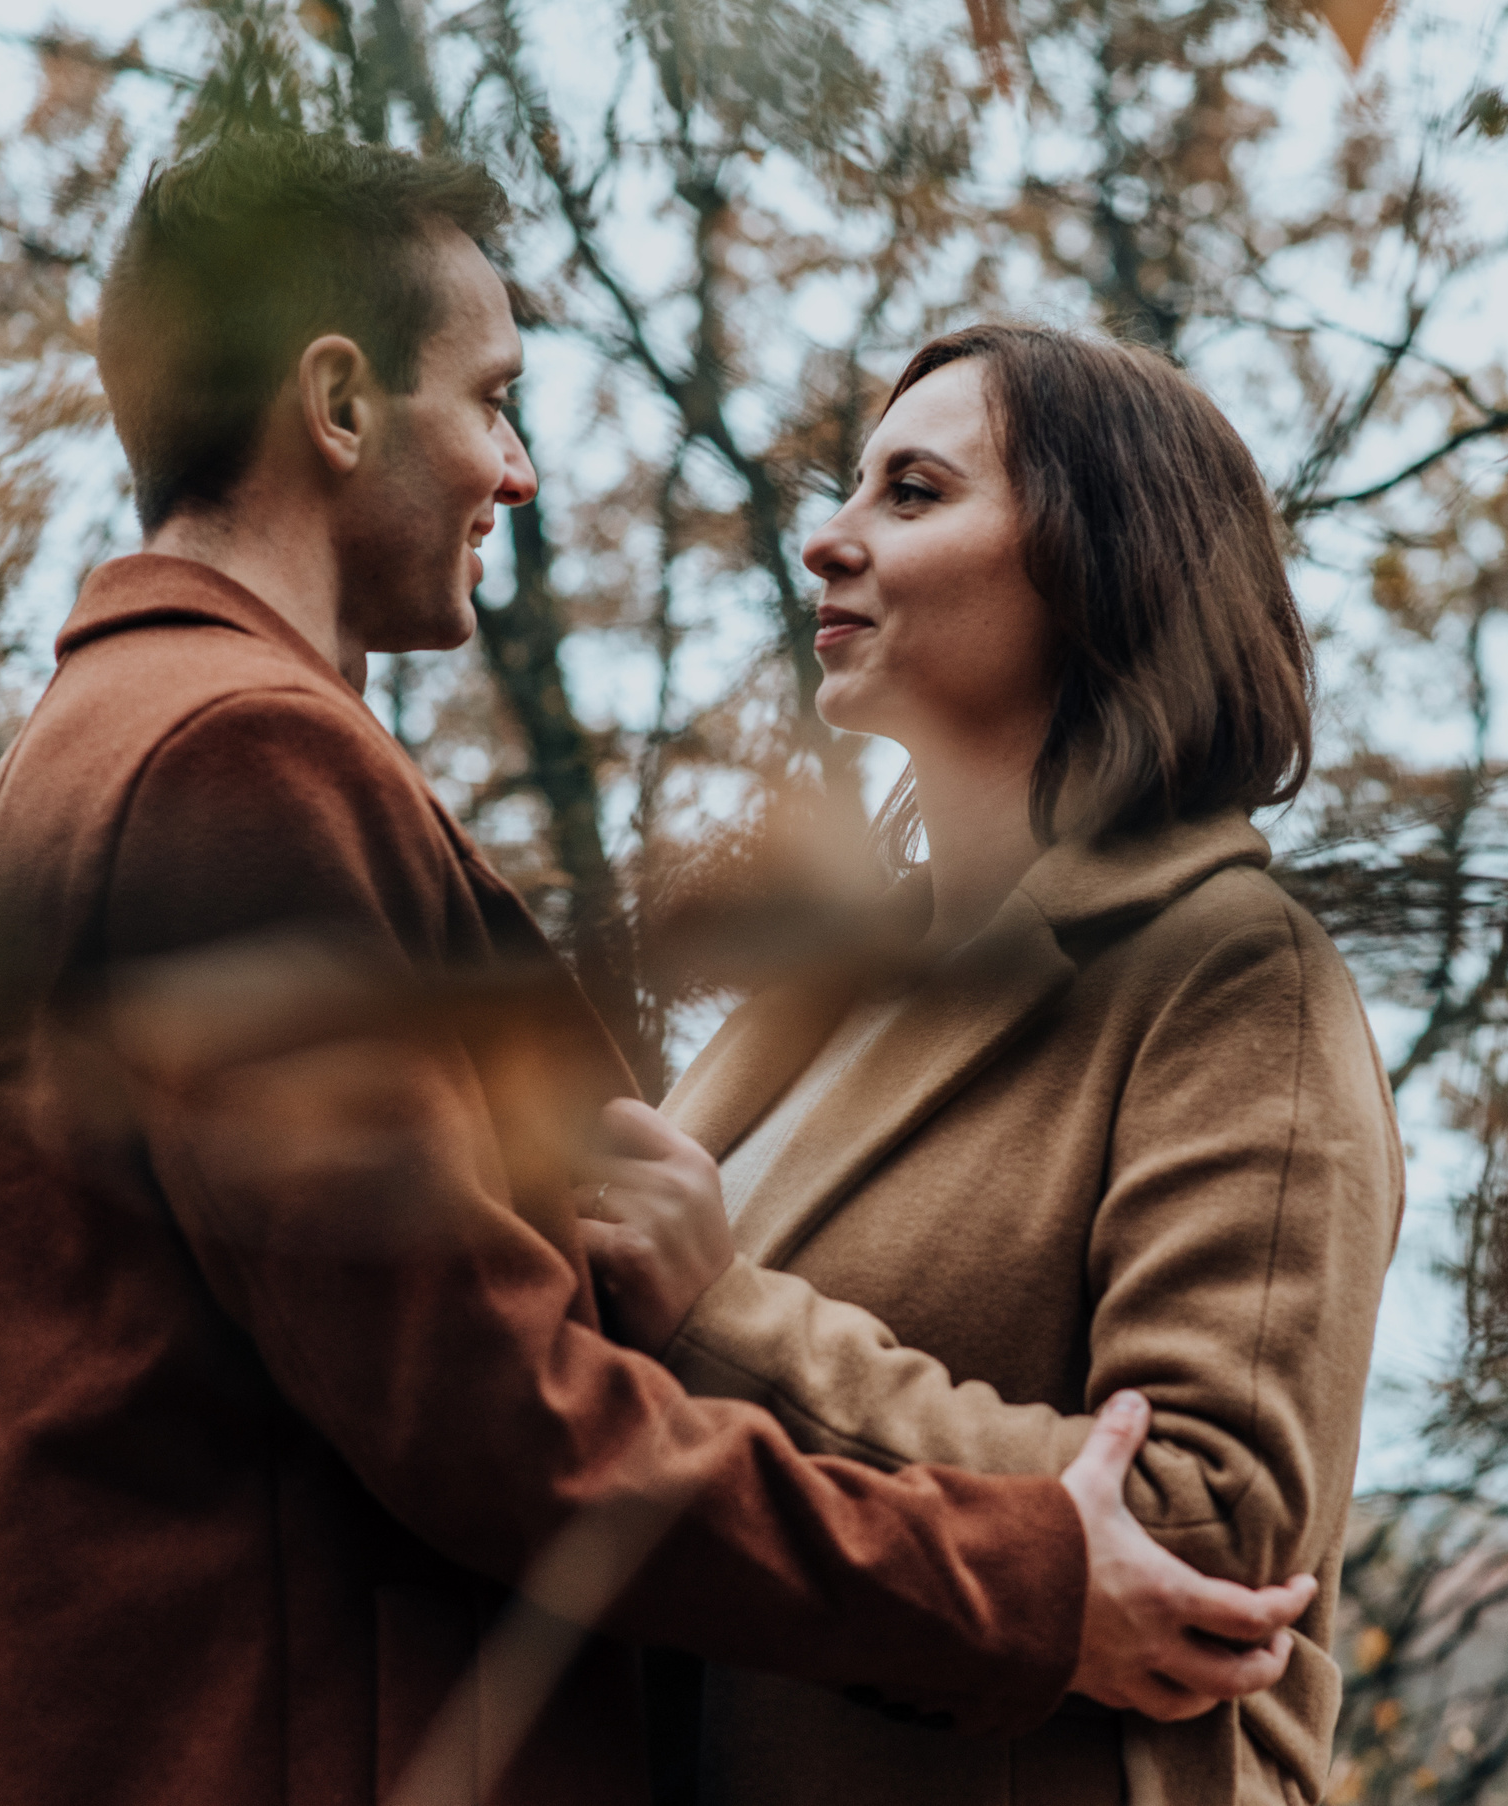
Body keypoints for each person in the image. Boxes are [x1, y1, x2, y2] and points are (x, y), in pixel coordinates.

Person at [0, 136, 1316, 1806]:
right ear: (338, 404)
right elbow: (497, 1414)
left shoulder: (82, 766)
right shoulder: (235, 762)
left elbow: (1218, 1519)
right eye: (492, 401)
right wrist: (1018, 1581)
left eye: (914, 491)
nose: (515, 471)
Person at [582, 324, 1406, 1805]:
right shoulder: (821, 996)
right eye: (850, 489)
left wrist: (728, 1317)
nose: (828, 538)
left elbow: (1210, 1532)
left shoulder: (1231, 973)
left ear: (1102, 564)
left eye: (912, 492)